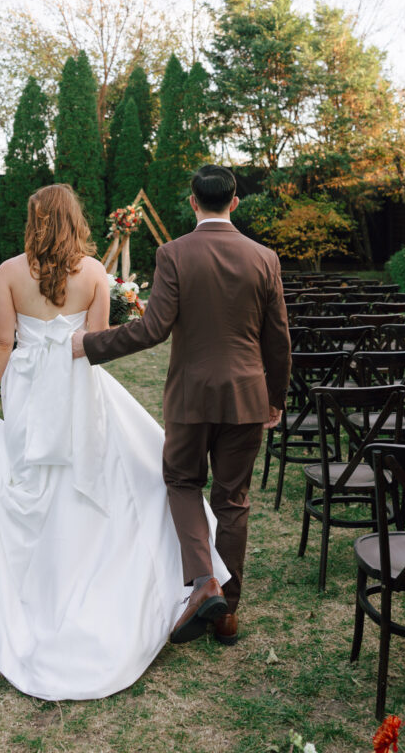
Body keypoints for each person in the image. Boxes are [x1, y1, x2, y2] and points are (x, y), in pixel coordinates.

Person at [0, 183, 229, 701]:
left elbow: (3, 341)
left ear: (34, 220)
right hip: (77, 389)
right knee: (94, 474)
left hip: (28, 392)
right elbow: (95, 346)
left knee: (34, 477)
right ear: (75, 220)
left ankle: (37, 588)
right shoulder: (95, 273)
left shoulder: (8, 272)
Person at [72, 164, 291, 646]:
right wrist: (275, 398)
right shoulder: (264, 258)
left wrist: (89, 346)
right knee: (232, 500)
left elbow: (153, 329)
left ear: (193, 202)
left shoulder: (174, 253)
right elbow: (278, 340)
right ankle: (227, 614)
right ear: (234, 202)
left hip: (191, 396)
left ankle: (203, 582)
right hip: (247, 397)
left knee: (181, 481)